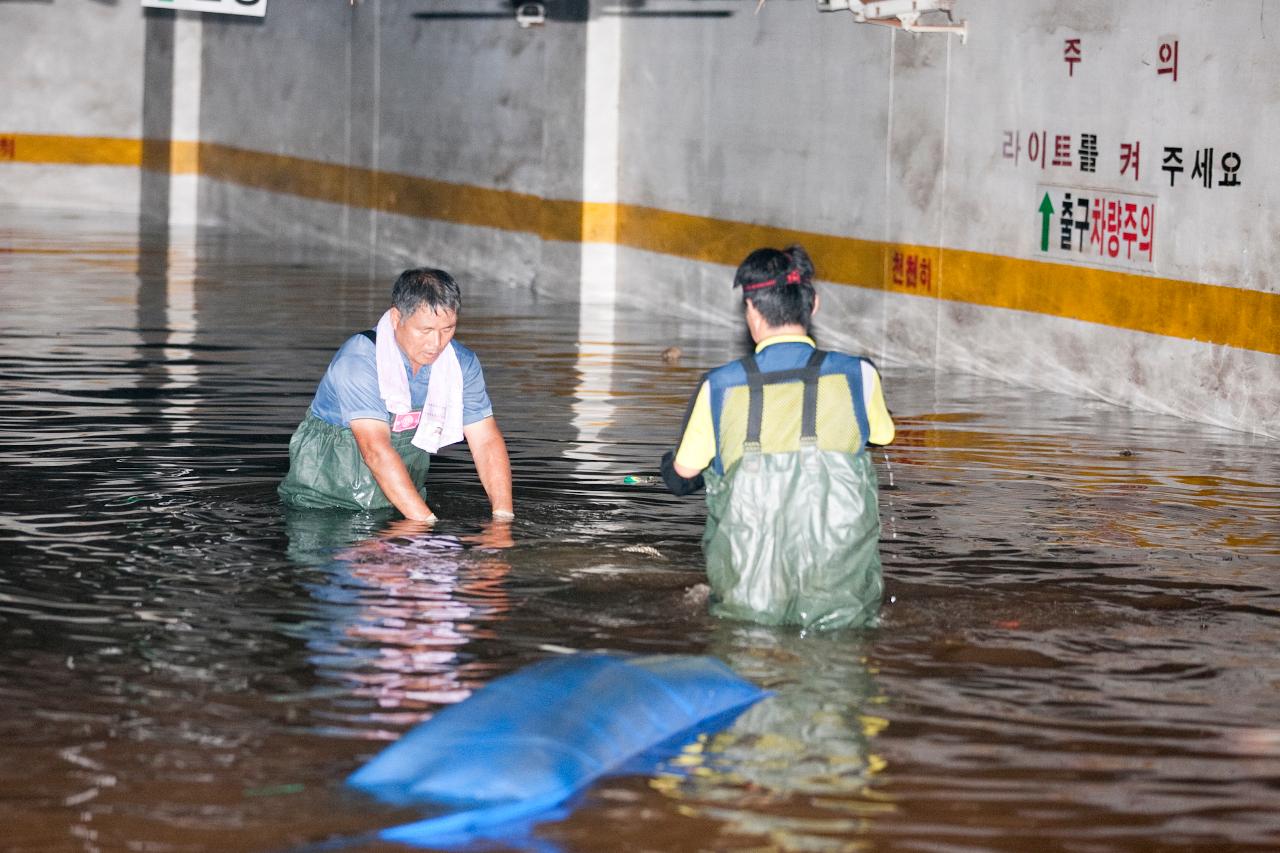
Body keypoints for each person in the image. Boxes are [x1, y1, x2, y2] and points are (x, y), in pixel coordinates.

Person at [660, 245, 894, 630]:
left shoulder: (719, 386)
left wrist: (672, 466)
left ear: (751, 310)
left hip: (752, 589)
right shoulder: (860, 375)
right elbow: (882, 435)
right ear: (813, 304)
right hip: (839, 585)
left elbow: (683, 473)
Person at [279, 267, 513, 522]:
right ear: (395, 318)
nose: (436, 344)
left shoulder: (460, 364)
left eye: (447, 329)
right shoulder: (359, 360)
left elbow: (486, 441)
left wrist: (502, 520)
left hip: (402, 504)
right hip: (321, 507)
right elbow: (375, 450)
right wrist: (426, 524)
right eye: (425, 330)